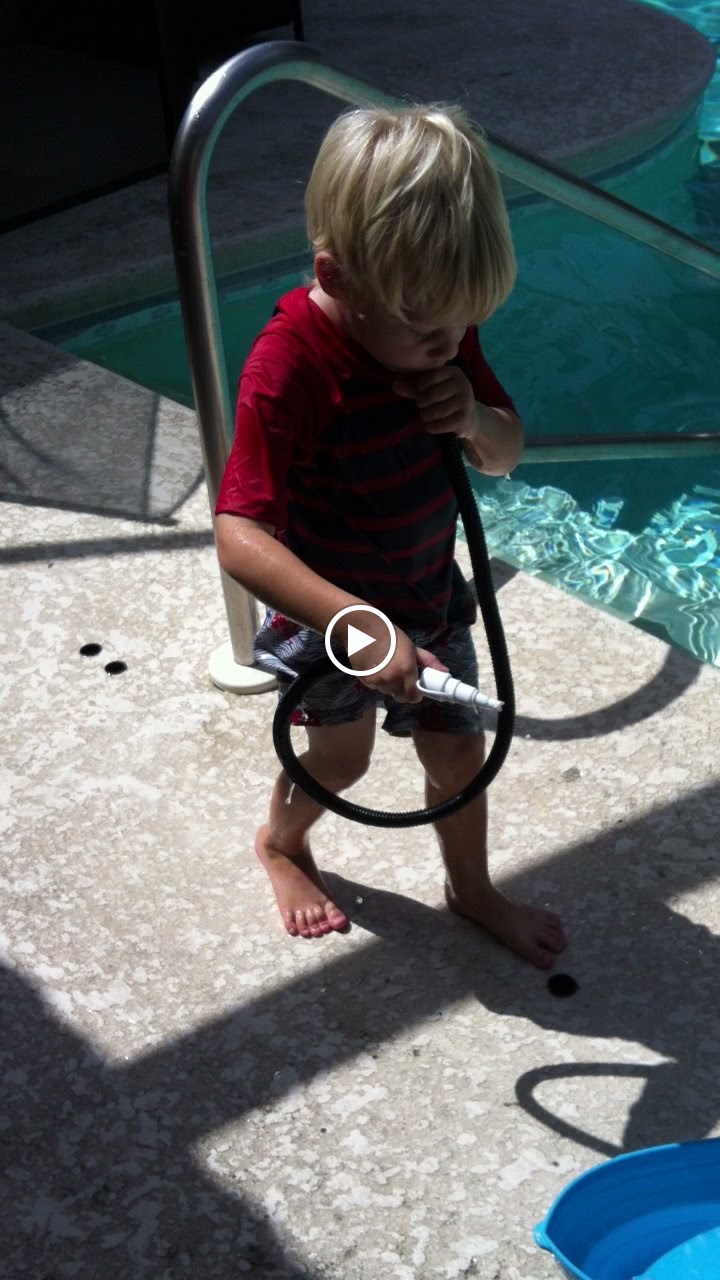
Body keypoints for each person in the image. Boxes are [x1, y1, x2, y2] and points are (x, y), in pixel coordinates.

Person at [215, 104, 567, 969]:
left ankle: (470, 888)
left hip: (429, 595)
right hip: (331, 620)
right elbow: (239, 533)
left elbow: (506, 454)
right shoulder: (288, 366)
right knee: (342, 763)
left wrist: (474, 416)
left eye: (462, 319)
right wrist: (355, 626)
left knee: (460, 758)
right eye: (424, 323)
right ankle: (281, 844)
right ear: (336, 277)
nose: (447, 340)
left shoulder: (438, 329)